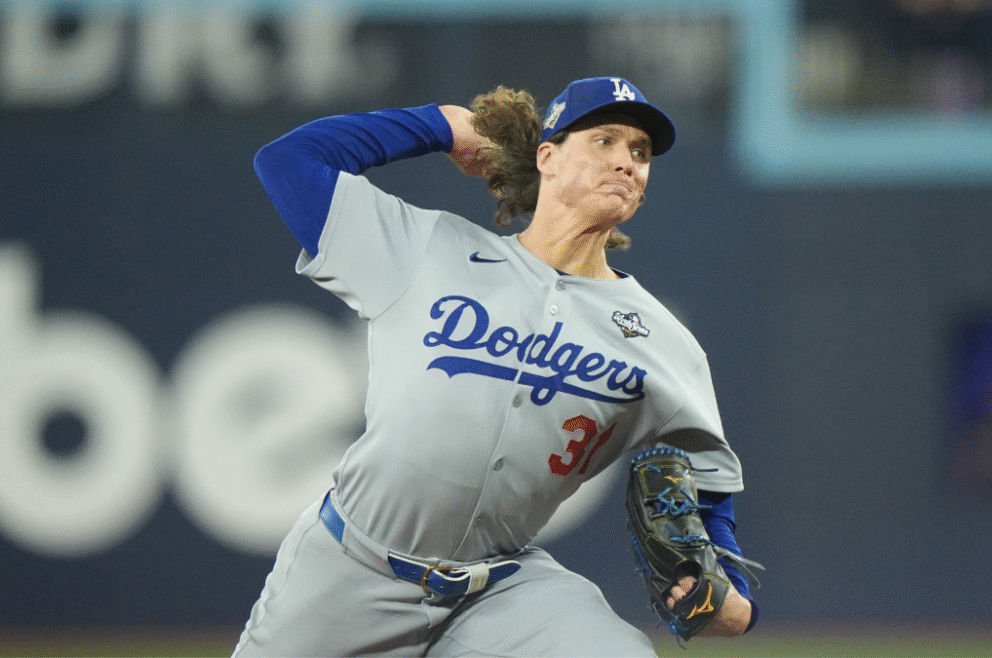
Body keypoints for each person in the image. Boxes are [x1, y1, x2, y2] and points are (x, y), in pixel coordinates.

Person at [232, 76, 758, 657]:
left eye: (640, 151)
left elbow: (706, 499)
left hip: (499, 593)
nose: (627, 162)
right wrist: (442, 124)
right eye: (605, 140)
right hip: (348, 573)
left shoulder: (663, 343)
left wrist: (733, 602)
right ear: (547, 158)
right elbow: (288, 162)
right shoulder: (424, 248)